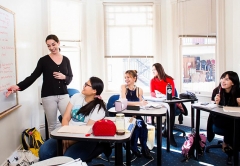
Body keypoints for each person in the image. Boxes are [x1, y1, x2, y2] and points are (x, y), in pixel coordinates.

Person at [5, 34, 73, 134]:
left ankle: (68, 146)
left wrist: (64, 77)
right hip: (48, 96)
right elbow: (33, 76)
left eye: (53, 44)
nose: (51, 48)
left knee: (68, 122)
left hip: (64, 95)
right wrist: (18, 86)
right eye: (48, 46)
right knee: (52, 125)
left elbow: (70, 78)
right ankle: (53, 148)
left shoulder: (66, 60)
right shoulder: (43, 61)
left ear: (58, 43)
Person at [39, 77, 110, 161]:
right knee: (44, 153)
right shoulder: (76, 97)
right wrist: (65, 137)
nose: (84, 86)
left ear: (94, 91)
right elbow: (65, 117)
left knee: (67, 160)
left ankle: (99, 148)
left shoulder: (99, 107)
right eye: (85, 83)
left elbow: (88, 129)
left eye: (87, 85)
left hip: (85, 139)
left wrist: (70, 141)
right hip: (67, 134)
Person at [207, 71, 240, 165]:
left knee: (235, 122)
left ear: (233, 82)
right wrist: (215, 103)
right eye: (222, 78)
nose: (223, 81)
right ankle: (228, 145)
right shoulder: (217, 90)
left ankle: (233, 145)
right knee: (233, 124)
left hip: (233, 119)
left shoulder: (238, 92)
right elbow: (211, 107)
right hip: (218, 118)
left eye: (227, 79)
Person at [120, 70, 152, 159]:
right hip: (125, 115)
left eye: (128, 77)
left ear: (134, 78)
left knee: (143, 126)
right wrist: (139, 103)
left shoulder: (139, 90)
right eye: (125, 77)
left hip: (136, 114)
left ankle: (144, 148)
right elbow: (124, 102)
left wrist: (143, 104)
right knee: (136, 127)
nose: (126, 79)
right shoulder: (123, 88)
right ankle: (133, 148)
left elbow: (141, 103)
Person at [150, 63, 183, 147]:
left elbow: (171, 94)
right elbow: (152, 93)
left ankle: (169, 133)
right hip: (159, 101)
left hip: (169, 101)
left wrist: (164, 96)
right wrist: (158, 95)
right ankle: (166, 131)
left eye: (154, 70)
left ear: (159, 70)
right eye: (152, 70)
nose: (153, 71)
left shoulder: (169, 79)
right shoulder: (152, 80)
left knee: (171, 107)